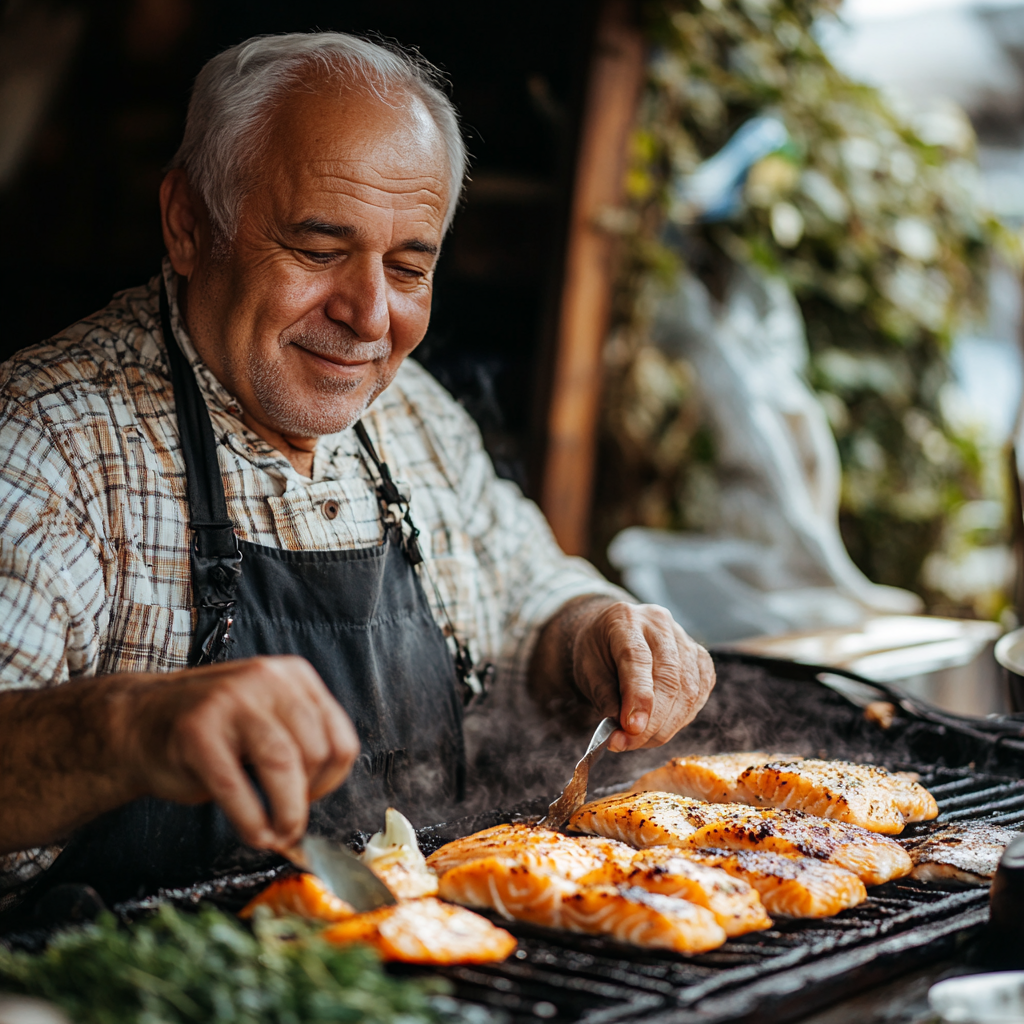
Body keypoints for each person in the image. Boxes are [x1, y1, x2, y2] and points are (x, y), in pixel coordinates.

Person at [0, 32, 715, 910]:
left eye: (409, 266)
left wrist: (596, 630)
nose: (370, 314)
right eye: (316, 250)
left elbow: (525, 591)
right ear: (189, 224)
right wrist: (128, 727)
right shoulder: (46, 445)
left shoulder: (412, 414)